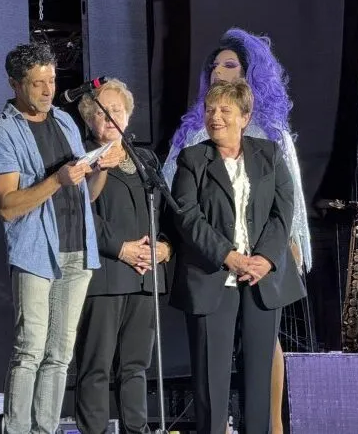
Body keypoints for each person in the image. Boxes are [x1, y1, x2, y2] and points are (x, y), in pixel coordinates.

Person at [162, 28, 310, 433]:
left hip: (263, 277)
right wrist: (228, 255)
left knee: (259, 375)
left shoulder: (271, 151)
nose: (216, 116)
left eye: (226, 111)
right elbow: (186, 215)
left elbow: (284, 212)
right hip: (215, 276)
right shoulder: (192, 157)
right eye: (211, 109)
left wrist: (264, 258)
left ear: (245, 117)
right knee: (210, 379)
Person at [0, 43, 105, 434]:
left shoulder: (65, 122)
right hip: (36, 252)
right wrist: (57, 179)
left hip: (77, 249)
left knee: (60, 354)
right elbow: (7, 206)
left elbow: (87, 195)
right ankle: (17, 429)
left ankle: (45, 428)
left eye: (52, 81)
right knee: (30, 350)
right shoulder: (3, 133)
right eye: (38, 83)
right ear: (15, 84)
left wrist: (99, 168)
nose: (49, 90)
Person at [73, 79, 173, 434]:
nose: (110, 117)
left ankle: (137, 429)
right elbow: (81, 214)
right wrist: (122, 249)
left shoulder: (146, 159)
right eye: (101, 112)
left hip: (146, 276)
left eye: (116, 110)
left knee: (136, 365)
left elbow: (163, 214)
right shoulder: (82, 157)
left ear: (128, 116)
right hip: (107, 274)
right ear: (89, 120)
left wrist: (164, 247)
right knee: (96, 364)